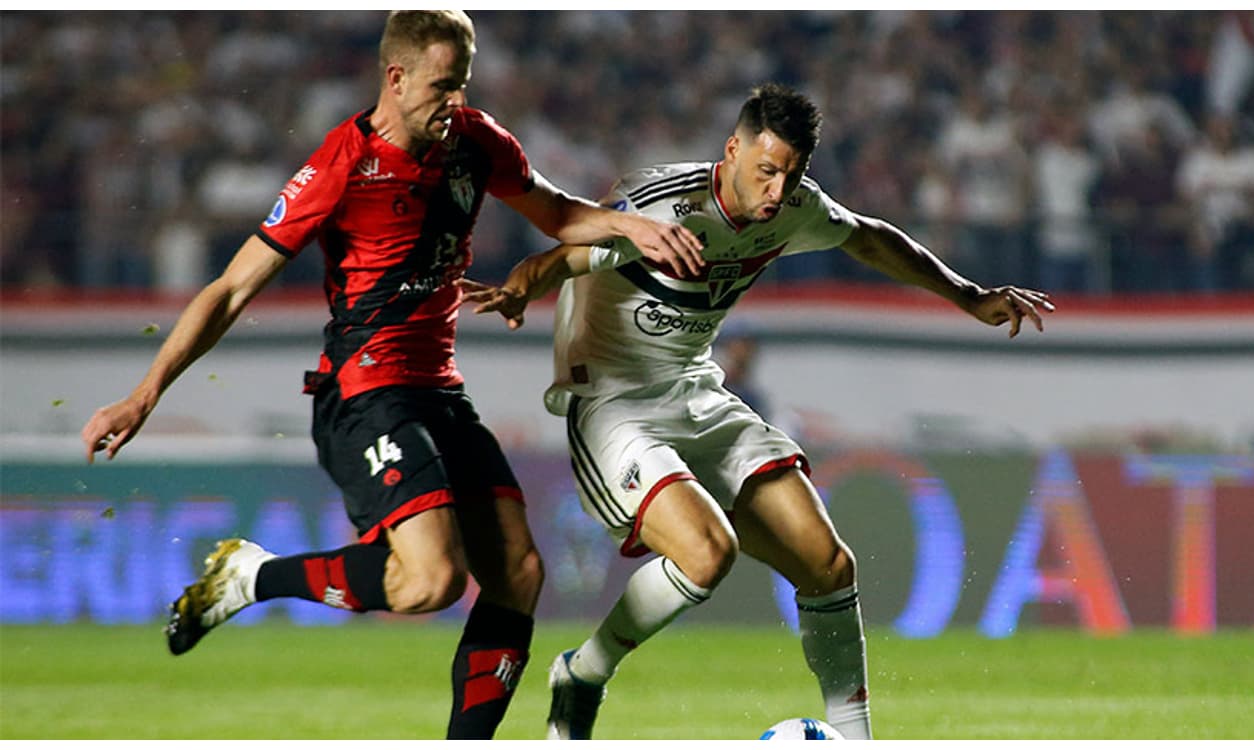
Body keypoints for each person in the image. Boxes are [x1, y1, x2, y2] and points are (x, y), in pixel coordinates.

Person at [79, 10, 702, 741]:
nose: (454, 102)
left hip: (438, 388)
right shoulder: (342, 164)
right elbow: (231, 288)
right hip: (363, 390)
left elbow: (556, 212)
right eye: (442, 86)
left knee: (521, 572)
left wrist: (631, 225)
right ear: (396, 76)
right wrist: (145, 393)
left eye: (463, 85)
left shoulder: (474, 139)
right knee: (430, 581)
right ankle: (252, 577)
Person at [460, 83, 1054, 740]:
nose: (776, 190)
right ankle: (585, 672)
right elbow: (564, 254)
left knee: (829, 566)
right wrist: (521, 289)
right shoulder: (665, 206)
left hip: (697, 391)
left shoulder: (795, 208)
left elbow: (870, 238)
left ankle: (855, 736)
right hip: (614, 402)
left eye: (790, 174)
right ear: (733, 150)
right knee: (705, 555)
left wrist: (969, 296)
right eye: (765, 170)